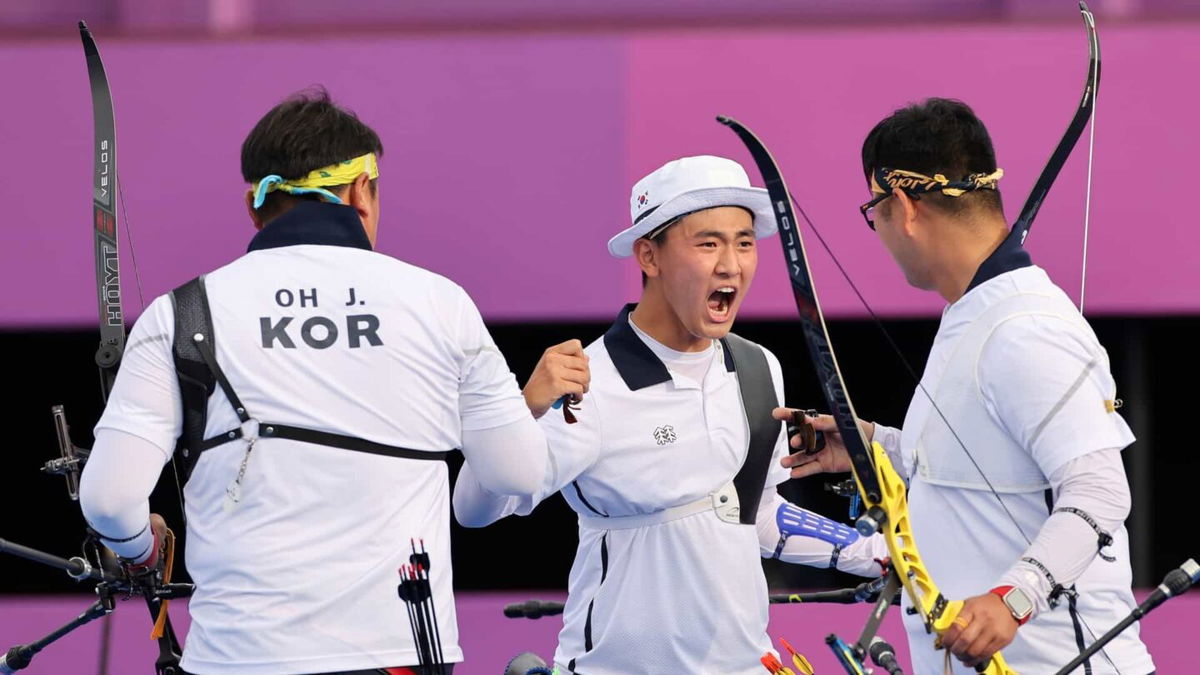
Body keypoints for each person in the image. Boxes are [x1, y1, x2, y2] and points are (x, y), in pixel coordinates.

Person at [76, 89, 577, 675]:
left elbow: (109, 501)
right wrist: (517, 415)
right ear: (363, 190)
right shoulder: (441, 302)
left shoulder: (181, 312)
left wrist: (142, 550)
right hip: (397, 654)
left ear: (254, 203)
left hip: (237, 660)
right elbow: (514, 475)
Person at [454, 155, 888, 675]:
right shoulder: (590, 382)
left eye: (744, 242)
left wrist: (879, 553)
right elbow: (473, 511)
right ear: (649, 257)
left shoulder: (757, 367)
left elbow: (755, 517)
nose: (732, 264)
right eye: (708, 243)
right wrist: (522, 410)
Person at [780, 98, 1155, 673]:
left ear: (901, 206)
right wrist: (873, 445)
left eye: (872, 210)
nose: (876, 227)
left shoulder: (1024, 328)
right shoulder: (975, 314)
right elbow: (983, 474)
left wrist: (1017, 597)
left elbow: (1100, 493)